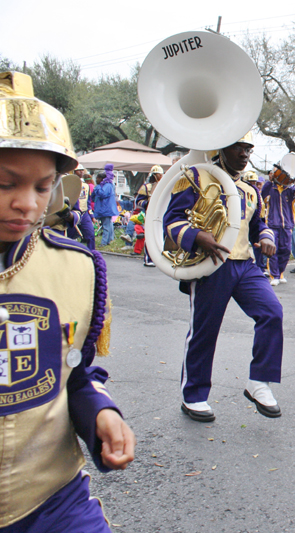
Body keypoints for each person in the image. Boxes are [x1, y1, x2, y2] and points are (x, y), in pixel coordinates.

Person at [0, 70, 135, 531]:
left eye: (42, 187)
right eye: (6, 184)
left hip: (54, 500)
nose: (27, 204)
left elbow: (75, 372)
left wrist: (100, 412)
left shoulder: (79, 268)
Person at [163, 133, 284, 421]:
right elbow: (172, 221)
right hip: (210, 265)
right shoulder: (196, 177)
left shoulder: (250, 190)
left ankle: (259, 382)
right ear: (222, 147)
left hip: (245, 265)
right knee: (205, 331)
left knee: (272, 313)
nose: (244, 154)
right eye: (238, 147)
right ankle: (193, 395)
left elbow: (258, 224)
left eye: (248, 149)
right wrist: (196, 236)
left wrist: (266, 237)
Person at [262, 162, 295, 285]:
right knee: (273, 251)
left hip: (287, 225)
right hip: (272, 225)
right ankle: (274, 275)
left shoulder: (290, 191)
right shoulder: (270, 189)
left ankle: (280, 273)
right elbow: (263, 196)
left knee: (286, 251)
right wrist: (270, 181)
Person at [135, 164, 163, 266]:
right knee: (150, 236)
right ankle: (148, 259)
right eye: (158, 174)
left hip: (161, 214)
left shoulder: (163, 186)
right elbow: (138, 201)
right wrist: (148, 203)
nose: (160, 176)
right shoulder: (146, 187)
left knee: (159, 236)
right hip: (150, 214)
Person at [92, 163, 119, 247]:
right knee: (108, 225)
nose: (96, 180)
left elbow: (103, 194)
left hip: (105, 209)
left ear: (101, 179)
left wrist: (97, 188)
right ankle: (109, 239)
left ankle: (104, 242)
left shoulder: (107, 186)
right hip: (104, 209)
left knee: (106, 226)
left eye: (97, 178)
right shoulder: (108, 185)